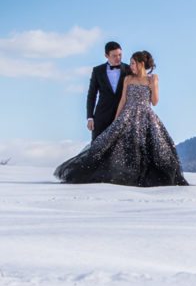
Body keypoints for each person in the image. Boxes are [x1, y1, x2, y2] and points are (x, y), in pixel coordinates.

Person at [55, 50, 188, 187]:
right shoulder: (128, 79)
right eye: (130, 63)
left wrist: (153, 84)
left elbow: (154, 102)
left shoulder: (152, 79)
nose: (130, 66)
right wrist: (116, 120)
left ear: (141, 64)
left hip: (145, 116)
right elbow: (123, 100)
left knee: (153, 148)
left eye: (133, 63)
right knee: (116, 147)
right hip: (127, 115)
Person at [87, 41, 131, 141]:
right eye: (114, 56)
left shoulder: (129, 69)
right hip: (101, 117)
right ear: (106, 55)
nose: (118, 58)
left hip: (123, 117)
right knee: (97, 151)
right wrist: (90, 117)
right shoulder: (97, 71)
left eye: (120, 55)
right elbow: (92, 95)